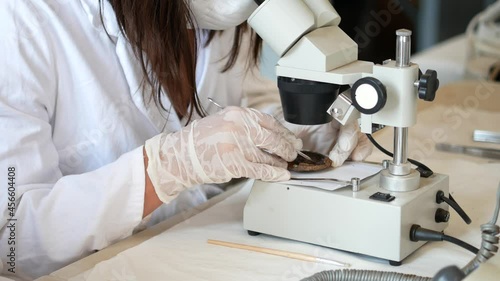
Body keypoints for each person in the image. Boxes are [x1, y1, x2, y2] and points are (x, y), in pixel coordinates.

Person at [0, 0, 372, 279]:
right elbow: (12, 242)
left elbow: (242, 98)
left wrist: (299, 129)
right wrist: (163, 169)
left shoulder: (221, 15)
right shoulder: (22, 21)